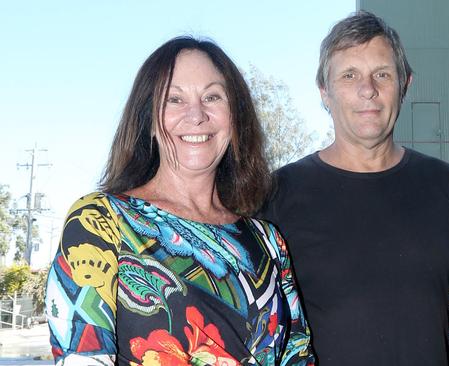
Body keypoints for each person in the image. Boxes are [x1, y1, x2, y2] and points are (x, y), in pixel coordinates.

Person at [45, 37, 314, 366]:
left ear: (234, 117)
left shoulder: (269, 241)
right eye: (175, 99)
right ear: (149, 120)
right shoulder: (100, 222)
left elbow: (299, 355)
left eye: (212, 96)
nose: (196, 115)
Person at [260, 11, 449, 365]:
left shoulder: (445, 186)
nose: (368, 90)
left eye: (382, 74)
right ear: (324, 92)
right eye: (350, 75)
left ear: (405, 84)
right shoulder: (277, 195)